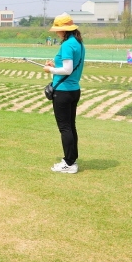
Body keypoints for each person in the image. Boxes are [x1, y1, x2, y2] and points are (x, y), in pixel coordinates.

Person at [43, 13, 85, 174]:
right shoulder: (78, 43)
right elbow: (68, 66)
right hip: (73, 90)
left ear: (64, 30)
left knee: (65, 128)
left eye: (58, 30)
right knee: (70, 126)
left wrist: (50, 69)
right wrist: (55, 64)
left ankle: (69, 163)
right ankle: (71, 159)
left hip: (63, 92)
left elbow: (67, 69)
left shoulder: (67, 45)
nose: (56, 32)